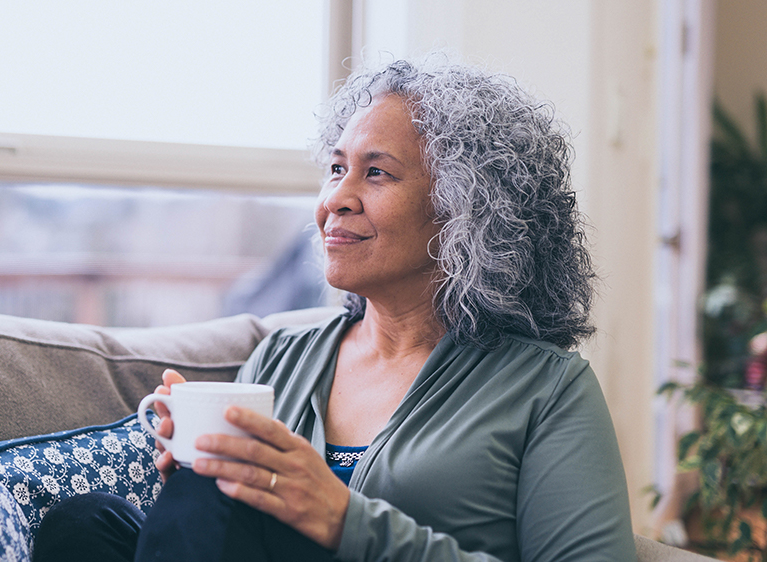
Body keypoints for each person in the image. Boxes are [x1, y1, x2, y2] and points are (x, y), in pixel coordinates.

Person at [32, 53, 637, 562]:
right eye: (337, 169)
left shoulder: (546, 389)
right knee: (87, 526)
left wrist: (347, 520)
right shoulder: (282, 357)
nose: (336, 201)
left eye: (377, 174)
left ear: (465, 211)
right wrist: (192, 480)